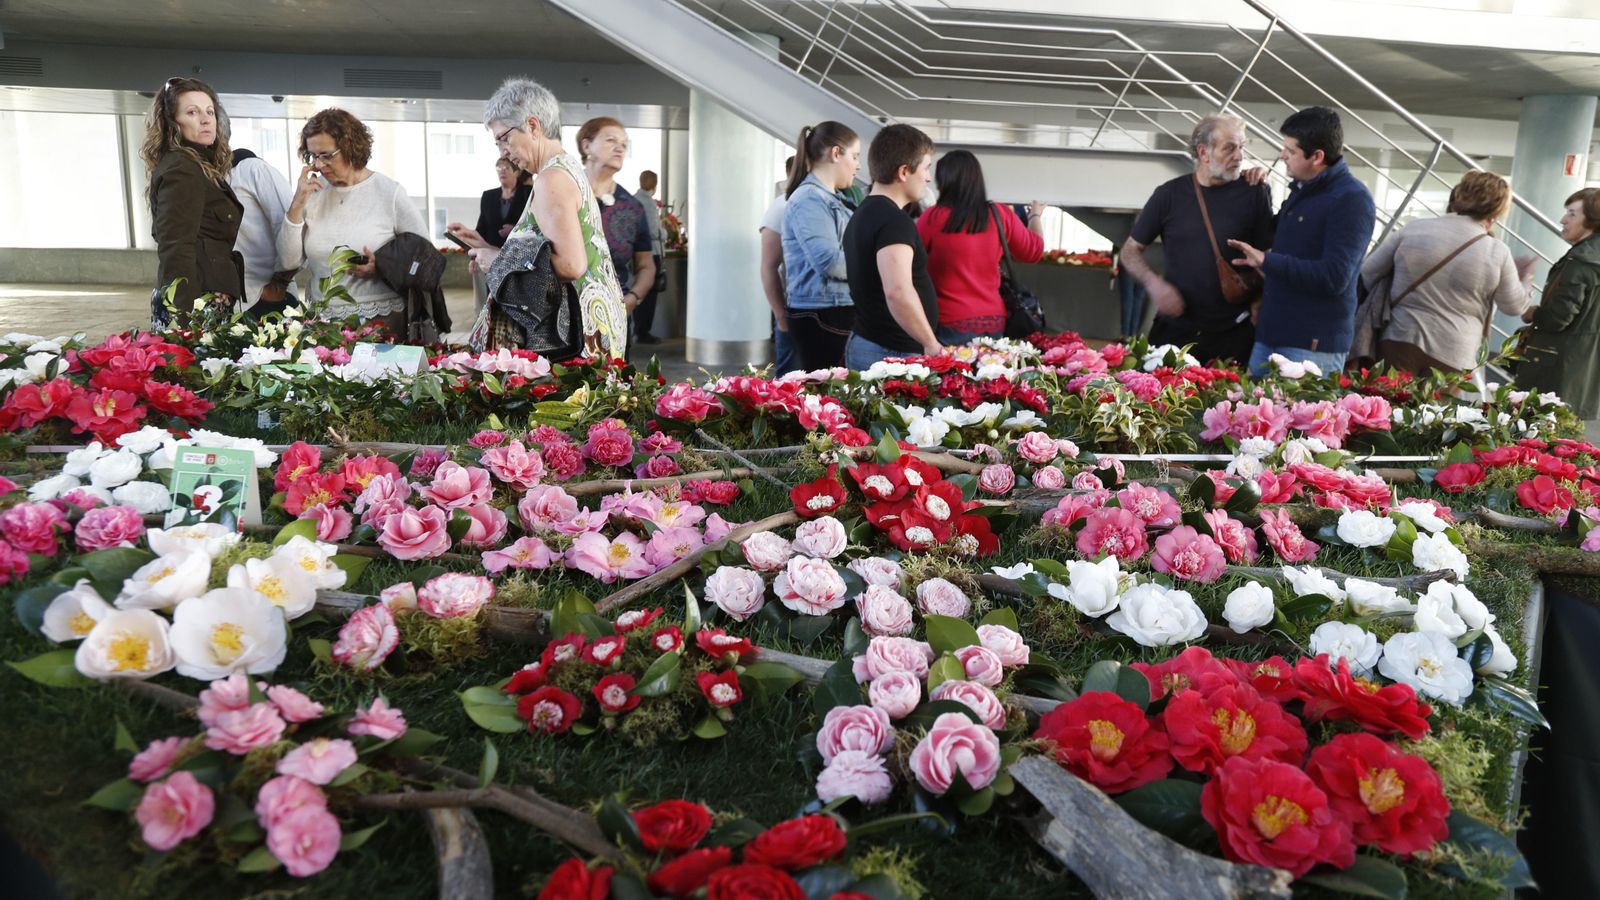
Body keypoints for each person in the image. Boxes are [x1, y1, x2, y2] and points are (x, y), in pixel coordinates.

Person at [449, 77, 626, 356]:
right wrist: (489, 248)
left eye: (504, 138)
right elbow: (549, 252)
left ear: (532, 126)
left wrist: (496, 261)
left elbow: (570, 265)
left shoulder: (551, 177)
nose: (503, 151)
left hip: (576, 338)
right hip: (591, 326)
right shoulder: (564, 168)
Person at [1229, 106, 1376, 376]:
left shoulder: (1351, 200)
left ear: (1317, 156)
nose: (1283, 156)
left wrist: (1266, 260)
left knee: (1303, 418)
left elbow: (1335, 277)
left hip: (1311, 345)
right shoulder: (1301, 190)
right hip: (1271, 334)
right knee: (1249, 417)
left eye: (1291, 151)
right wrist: (1257, 186)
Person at [1121, 115, 1274, 365]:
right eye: (1230, 147)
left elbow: (1268, 256)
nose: (1239, 156)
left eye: (1242, 147)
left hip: (1234, 334)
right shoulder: (1168, 195)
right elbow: (1129, 251)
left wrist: (1261, 299)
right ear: (1203, 152)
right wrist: (1154, 285)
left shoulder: (1255, 192)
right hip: (1175, 331)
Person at [1359, 171, 1533, 375]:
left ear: (1460, 194)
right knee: (1437, 408)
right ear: (1498, 211)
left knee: (1389, 403)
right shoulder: (1496, 251)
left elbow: (1368, 273)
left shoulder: (1414, 229)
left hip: (1401, 336)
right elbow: (1513, 306)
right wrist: (1526, 282)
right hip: (1455, 352)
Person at [278, 108, 428, 335]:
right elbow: (288, 261)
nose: (318, 165)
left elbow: (424, 257)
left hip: (381, 323)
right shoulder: (312, 194)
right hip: (323, 324)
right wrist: (297, 203)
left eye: (326, 155)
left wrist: (383, 268)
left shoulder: (389, 193)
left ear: (350, 148)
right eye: (312, 156)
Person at [141, 76, 245, 324]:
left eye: (210, 111)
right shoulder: (183, 169)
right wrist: (185, 320)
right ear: (172, 122)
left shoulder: (197, 164)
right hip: (196, 302)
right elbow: (176, 247)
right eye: (192, 112)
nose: (206, 119)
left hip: (206, 297)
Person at [915, 149, 1045, 344]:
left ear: (943, 182)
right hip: (993, 321)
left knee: (953, 375)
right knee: (989, 373)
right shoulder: (999, 214)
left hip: (948, 320)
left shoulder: (932, 218)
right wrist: (1035, 216)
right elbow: (1034, 251)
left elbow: (911, 262)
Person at [842, 124, 939, 369]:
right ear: (904, 172)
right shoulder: (894, 221)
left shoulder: (864, 212)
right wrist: (931, 344)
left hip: (873, 344)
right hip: (890, 353)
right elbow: (898, 291)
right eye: (926, 168)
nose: (928, 178)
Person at [1516, 188, 1600, 435]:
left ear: (1592, 220)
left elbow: (1558, 317)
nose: (1564, 220)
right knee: (1563, 439)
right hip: (1582, 366)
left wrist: (1533, 313)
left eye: (1572, 214)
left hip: (1555, 365)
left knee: (1536, 439)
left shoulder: (1582, 261)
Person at [782, 121, 862, 369]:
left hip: (832, 308)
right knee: (831, 398)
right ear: (836, 153)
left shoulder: (830, 198)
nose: (858, 165)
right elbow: (829, 262)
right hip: (824, 311)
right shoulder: (809, 199)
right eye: (855, 156)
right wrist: (873, 268)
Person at [576, 117, 655, 345]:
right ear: (586, 145)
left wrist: (633, 298)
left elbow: (646, 265)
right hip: (560, 317)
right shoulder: (561, 191)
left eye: (624, 143)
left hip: (613, 320)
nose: (620, 147)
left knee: (613, 380)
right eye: (611, 140)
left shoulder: (632, 207)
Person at [228, 148, 298, 316]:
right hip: (227, 305)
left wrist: (277, 287)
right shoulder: (205, 177)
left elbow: (292, 231)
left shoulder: (253, 169)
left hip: (264, 301)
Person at [759, 159, 797, 374]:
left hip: (808, 312)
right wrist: (781, 315)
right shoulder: (782, 205)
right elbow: (768, 266)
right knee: (789, 381)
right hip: (791, 308)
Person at [634, 169, 665, 344]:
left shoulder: (634, 199)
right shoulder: (649, 203)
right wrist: (666, 233)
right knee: (649, 293)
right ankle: (643, 331)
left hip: (636, 253)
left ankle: (638, 329)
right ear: (654, 184)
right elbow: (655, 231)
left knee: (639, 290)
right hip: (651, 253)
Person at [474, 158, 533, 248]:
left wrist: (515, 230)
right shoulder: (488, 196)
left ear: (517, 172)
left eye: (507, 167)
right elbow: (481, 229)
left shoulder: (528, 193)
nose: (502, 171)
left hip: (519, 252)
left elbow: (536, 226)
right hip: (491, 253)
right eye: (499, 168)